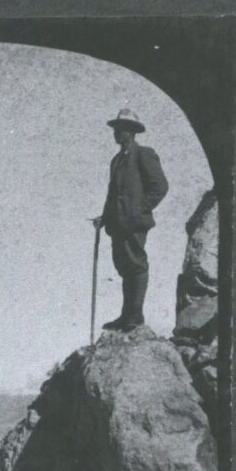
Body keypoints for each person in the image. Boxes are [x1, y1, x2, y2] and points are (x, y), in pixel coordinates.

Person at [91, 108, 169, 332]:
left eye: (121, 129)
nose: (116, 133)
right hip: (117, 225)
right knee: (124, 267)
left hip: (134, 223)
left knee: (135, 265)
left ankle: (135, 314)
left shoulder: (143, 154)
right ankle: (127, 316)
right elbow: (112, 194)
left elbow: (160, 186)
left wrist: (139, 210)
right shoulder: (116, 160)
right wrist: (104, 218)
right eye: (116, 129)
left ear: (132, 132)